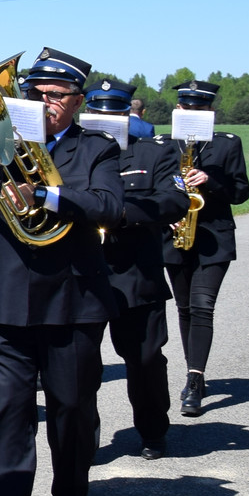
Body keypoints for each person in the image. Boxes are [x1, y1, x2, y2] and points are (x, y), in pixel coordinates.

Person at [0, 48, 122, 496]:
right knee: (8, 412)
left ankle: (71, 492)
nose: (43, 100)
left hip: (73, 299)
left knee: (71, 406)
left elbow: (109, 205)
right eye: (34, 92)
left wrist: (46, 195)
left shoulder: (97, 148)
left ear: (77, 102)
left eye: (55, 95)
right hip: (7, 297)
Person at [88, 80, 189, 458]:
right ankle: (85, 437)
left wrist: (123, 214)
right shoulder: (74, 152)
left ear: (128, 114)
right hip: (85, 271)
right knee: (81, 366)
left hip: (136, 272)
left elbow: (174, 199)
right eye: (99, 111)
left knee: (145, 359)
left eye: (114, 112)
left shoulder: (154, 153)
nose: (106, 119)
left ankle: (152, 429)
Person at [163, 80, 249, 418]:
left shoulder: (228, 145)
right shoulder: (163, 145)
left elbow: (241, 192)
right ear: (179, 109)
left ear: (210, 111)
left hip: (215, 236)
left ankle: (195, 381)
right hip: (177, 235)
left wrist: (210, 181)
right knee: (184, 307)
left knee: (202, 306)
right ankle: (192, 368)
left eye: (200, 108)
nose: (192, 113)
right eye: (187, 107)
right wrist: (163, 215)